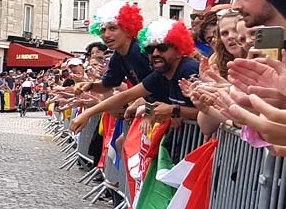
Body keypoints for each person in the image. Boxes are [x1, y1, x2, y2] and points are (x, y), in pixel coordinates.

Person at [70, 18, 200, 133]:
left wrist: (174, 111)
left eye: (162, 47)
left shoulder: (189, 70)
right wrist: (89, 104)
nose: (155, 53)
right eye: (149, 49)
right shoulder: (160, 73)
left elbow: (212, 113)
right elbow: (125, 94)